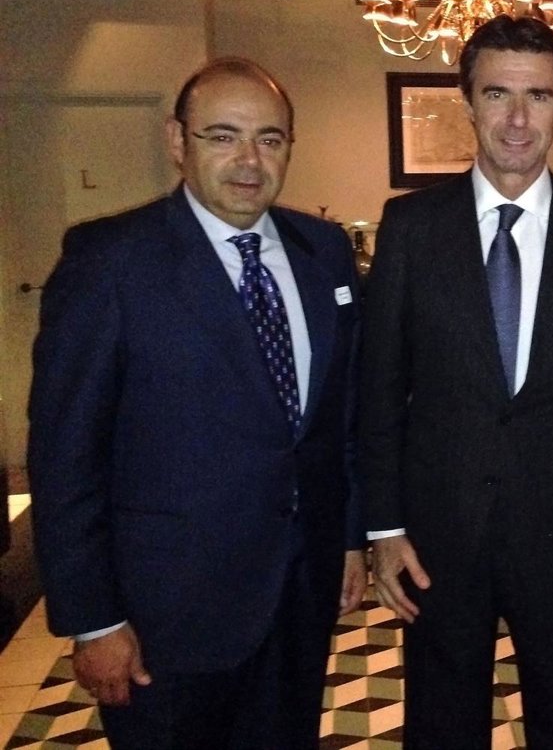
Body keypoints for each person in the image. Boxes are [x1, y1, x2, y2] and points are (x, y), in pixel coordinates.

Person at [27, 57, 367, 750]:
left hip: (299, 593)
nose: (249, 160)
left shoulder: (324, 250)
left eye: (270, 139)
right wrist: (93, 620)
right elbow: (65, 455)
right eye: (222, 136)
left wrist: (349, 538)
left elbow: (341, 417)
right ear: (177, 141)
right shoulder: (110, 262)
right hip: (166, 617)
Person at [358, 14, 553, 750]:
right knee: (443, 723)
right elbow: (378, 390)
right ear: (467, 100)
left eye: (538, 96)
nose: (518, 119)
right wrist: (384, 528)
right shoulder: (410, 228)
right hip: (438, 533)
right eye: (497, 94)